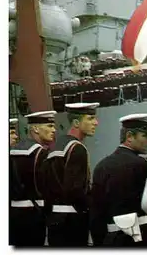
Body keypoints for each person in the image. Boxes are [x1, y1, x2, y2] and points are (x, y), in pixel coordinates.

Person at [90, 113, 147, 246]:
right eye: (145, 136)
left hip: (112, 239)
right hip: (141, 238)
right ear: (129, 136)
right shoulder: (141, 165)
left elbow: (96, 212)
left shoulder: (101, 166)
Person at [42, 102, 99, 246]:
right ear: (76, 122)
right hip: (73, 221)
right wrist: (90, 210)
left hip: (55, 219)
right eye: (90, 118)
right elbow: (75, 190)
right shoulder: (77, 148)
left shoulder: (55, 145)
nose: (96, 123)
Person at [9, 111, 56, 246]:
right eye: (49, 126)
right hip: (34, 214)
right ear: (35, 129)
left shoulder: (12, 151)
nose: (54, 130)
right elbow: (45, 187)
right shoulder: (40, 153)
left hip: (13, 213)